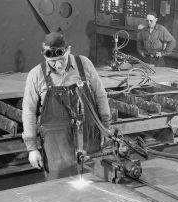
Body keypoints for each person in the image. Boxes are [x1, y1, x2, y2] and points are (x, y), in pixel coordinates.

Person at [22, 32, 112, 179]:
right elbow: (28, 112)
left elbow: (100, 96)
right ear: (44, 55)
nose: (57, 65)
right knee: (59, 190)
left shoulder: (84, 64)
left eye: (61, 60)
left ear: (68, 49)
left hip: (89, 138)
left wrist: (106, 128)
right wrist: (32, 148)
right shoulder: (36, 75)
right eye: (52, 61)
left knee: (95, 184)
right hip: (56, 146)